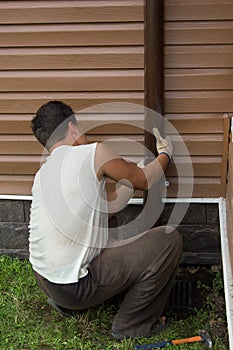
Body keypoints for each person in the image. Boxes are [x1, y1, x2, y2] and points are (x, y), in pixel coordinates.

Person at [29, 100, 182, 340]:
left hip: (48, 283)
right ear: (72, 128)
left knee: (105, 228)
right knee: (169, 240)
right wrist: (165, 156)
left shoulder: (42, 175)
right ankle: (133, 325)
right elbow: (143, 180)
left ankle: (70, 305)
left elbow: (106, 207)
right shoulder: (93, 152)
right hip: (77, 288)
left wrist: (134, 175)